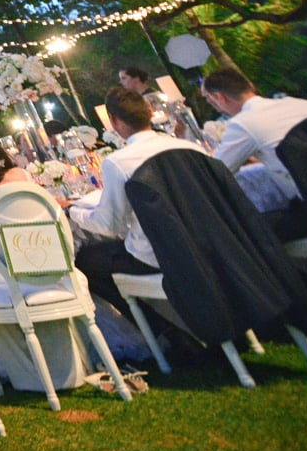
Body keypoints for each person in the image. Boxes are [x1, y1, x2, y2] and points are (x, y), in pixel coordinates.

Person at [71, 87, 210, 318]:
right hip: (209, 242)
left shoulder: (118, 162)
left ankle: (163, 331)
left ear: (114, 121)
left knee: (87, 260)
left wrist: (75, 210)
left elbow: (109, 225)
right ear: (149, 113)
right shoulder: (190, 148)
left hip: (160, 254)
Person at [201, 69, 307, 240]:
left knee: (245, 234)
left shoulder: (243, 124)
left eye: (210, 101)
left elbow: (216, 172)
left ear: (220, 98)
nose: (212, 105)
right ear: (251, 86)